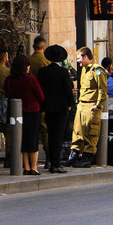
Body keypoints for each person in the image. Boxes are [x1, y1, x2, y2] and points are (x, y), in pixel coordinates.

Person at [66, 47, 107, 168]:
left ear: (85, 57)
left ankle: (87, 157)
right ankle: (74, 155)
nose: (78, 61)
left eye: (79, 58)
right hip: (82, 104)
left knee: (91, 133)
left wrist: (98, 105)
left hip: (91, 106)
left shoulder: (97, 70)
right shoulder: (84, 70)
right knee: (78, 131)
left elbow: (102, 89)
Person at [5, 54, 46, 175]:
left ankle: (26, 166)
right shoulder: (31, 80)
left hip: (16, 113)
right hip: (32, 112)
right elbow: (41, 96)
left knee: (21, 139)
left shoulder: (9, 80)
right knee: (32, 140)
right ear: (26, 67)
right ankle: (34, 167)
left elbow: (7, 93)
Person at [39, 45, 74, 173]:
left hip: (48, 107)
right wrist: (71, 103)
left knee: (51, 134)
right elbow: (68, 89)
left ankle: (51, 162)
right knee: (58, 136)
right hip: (61, 108)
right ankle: (56, 164)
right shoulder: (63, 72)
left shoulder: (42, 71)